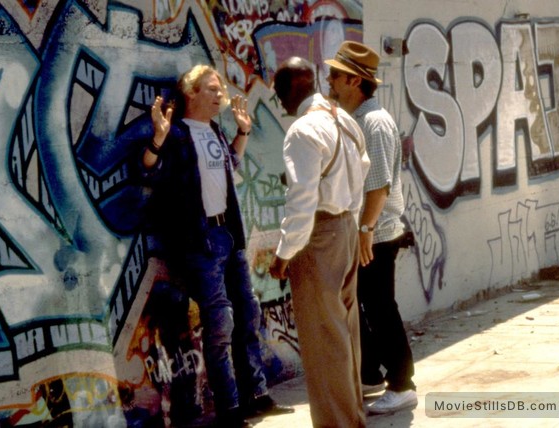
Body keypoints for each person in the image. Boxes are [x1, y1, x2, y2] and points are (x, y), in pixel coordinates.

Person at [141, 64, 293, 427]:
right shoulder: (177, 134)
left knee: (248, 312)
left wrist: (242, 132)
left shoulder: (214, 130)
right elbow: (148, 169)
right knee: (220, 321)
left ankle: (257, 395)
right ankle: (230, 407)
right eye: (211, 88)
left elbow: (231, 165)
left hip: (229, 235)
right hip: (200, 240)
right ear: (191, 92)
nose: (219, 93)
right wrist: (157, 139)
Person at [269, 56, 371, 427]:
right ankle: (353, 416)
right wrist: (355, 224)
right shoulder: (342, 119)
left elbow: (302, 202)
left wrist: (284, 253)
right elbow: (361, 174)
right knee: (345, 337)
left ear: (289, 90)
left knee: (323, 343)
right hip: (344, 226)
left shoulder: (302, 131)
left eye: (279, 92)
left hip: (319, 236)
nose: (278, 101)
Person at [325, 41, 418, 415]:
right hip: (367, 232)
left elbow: (377, 186)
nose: (329, 81)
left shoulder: (373, 123)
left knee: (380, 308)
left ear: (353, 80)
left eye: (334, 75)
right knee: (365, 307)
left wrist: (365, 230)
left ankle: (402, 383)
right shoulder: (359, 118)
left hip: (375, 235)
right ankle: (371, 375)